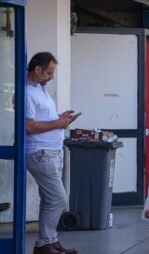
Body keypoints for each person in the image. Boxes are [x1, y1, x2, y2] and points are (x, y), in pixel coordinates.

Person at [26, 52, 78, 254]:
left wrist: (59, 117)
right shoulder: (27, 93)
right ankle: (43, 244)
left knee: (49, 200)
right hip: (40, 153)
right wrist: (58, 123)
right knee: (58, 199)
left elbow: (43, 118)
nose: (51, 77)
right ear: (37, 70)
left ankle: (50, 241)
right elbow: (29, 127)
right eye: (49, 72)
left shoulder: (40, 89)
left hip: (52, 152)